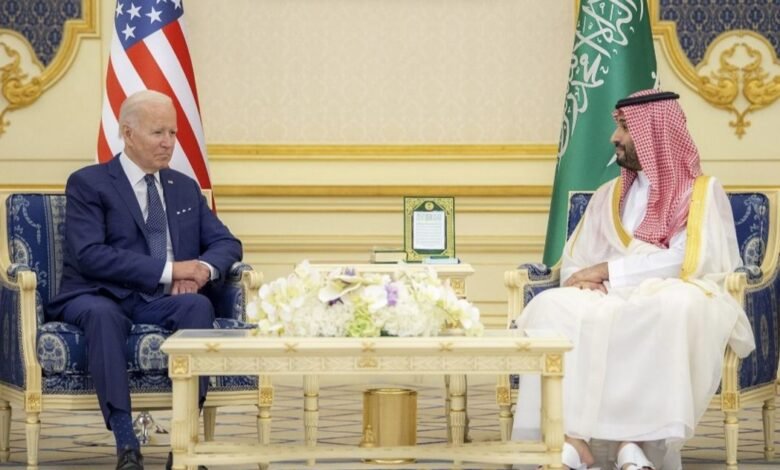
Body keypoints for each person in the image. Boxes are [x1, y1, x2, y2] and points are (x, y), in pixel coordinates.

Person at [511, 89, 755, 470]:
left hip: (673, 289)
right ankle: (571, 439)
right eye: (618, 127)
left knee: (670, 306)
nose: (615, 137)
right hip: (609, 294)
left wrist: (608, 272)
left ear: (653, 133)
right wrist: (584, 279)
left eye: (625, 128)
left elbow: (687, 261)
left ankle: (636, 442)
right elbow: (577, 260)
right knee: (550, 305)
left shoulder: (701, 194)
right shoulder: (609, 195)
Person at [47, 90, 242, 470]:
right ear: (128, 133)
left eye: (173, 132)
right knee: (103, 316)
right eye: (158, 133)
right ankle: (126, 443)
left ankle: (183, 445)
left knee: (197, 305)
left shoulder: (184, 187)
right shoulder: (90, 183)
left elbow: (227, 243)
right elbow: (90, 254)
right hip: (99, 293)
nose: (168, 143)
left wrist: (201, 270)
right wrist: (172, 270)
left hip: (161, 299)